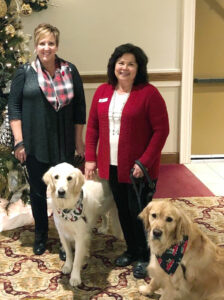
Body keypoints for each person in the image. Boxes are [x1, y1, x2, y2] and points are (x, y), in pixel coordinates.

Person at [85, 43, 169, 279]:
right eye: (121, 63)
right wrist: (90, 158)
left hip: (139, 170)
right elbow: (92, 128)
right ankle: (132, 250)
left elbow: (161, 131)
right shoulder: (102, 92)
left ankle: (146, 256)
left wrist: (144, 162)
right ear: (114, 66)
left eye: (131, 64)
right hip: (111, 165)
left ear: (138, 68)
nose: (125, 68)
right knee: (122, 210)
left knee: (140, 213)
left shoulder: (149, 94)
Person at [8, 23, 86, 257]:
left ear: (57, 45)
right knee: (39, 193)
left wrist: (78, 142)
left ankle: (68, 239)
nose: (46, 47)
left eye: (51, 43)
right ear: (35, 45)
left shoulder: (70, 71)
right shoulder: (24, 72)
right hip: (35, 143)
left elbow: (80, 108)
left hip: (63, 143)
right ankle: (41, 233)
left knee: (68, 193)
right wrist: (19, 142)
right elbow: (14, 108)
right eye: (42, 43)